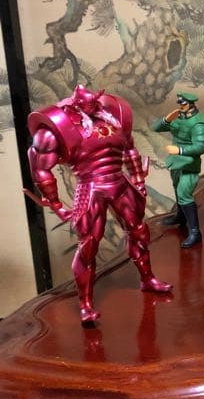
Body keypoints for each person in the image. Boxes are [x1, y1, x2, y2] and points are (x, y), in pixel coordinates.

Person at [27, 85, 172, 326]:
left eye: (95, 101)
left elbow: (130, 149)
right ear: (75, 103)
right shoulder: (57, 128)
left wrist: (138, 178)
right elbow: (41, 168)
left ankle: (147, 279)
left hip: (119, 182)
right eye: (87, 103)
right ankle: (85, 304)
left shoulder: (113, 115)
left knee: (139, 231)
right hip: (90, 187)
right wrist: (55, 203)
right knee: (88, 246)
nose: (93, 105)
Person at [152, 91, 204, 248]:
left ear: (191, 104)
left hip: (189, 165)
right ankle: (180, 216)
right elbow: (155, 127)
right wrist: (166, 119)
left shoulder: (199, 123)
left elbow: (200, 147)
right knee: (177, 188)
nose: (180, 106)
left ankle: (195, 232)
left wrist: (180, 150)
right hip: (176, 162)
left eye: (183, 104)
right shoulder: (179, 117)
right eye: (179, 103)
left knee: (184, 194)